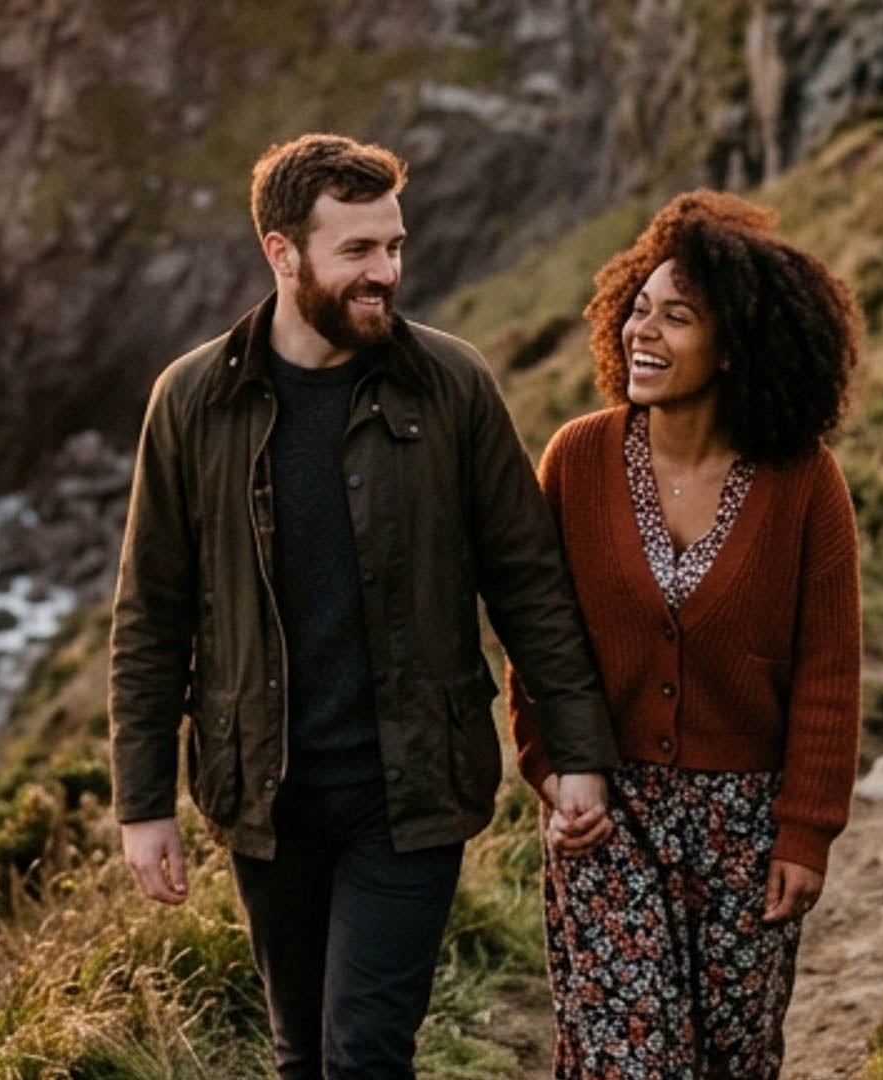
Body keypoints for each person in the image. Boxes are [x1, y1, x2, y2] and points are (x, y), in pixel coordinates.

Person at [108, 132, 620, 1079]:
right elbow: (151, 618)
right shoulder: (191, 402)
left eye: (393, 246)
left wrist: (578, 754)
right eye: (357, 251)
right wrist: (143, 804)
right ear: (282, 253)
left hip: (412, 791)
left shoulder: (452, 384)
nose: (384, 272)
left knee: (365, 1053)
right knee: (301, 1052)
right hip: (264, 795)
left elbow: (530, 585)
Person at [509, 189, 864, 1078]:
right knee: (627, 1061)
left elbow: (829, 667)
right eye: (638, 309)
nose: (644, 332)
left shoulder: (803, 483)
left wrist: (805, 832)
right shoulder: (578, 459)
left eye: (678, 317)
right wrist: (552, 769)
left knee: (734, 1060)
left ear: (737, 345)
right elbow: (538, 634)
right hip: (609, 809)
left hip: (747, 824)